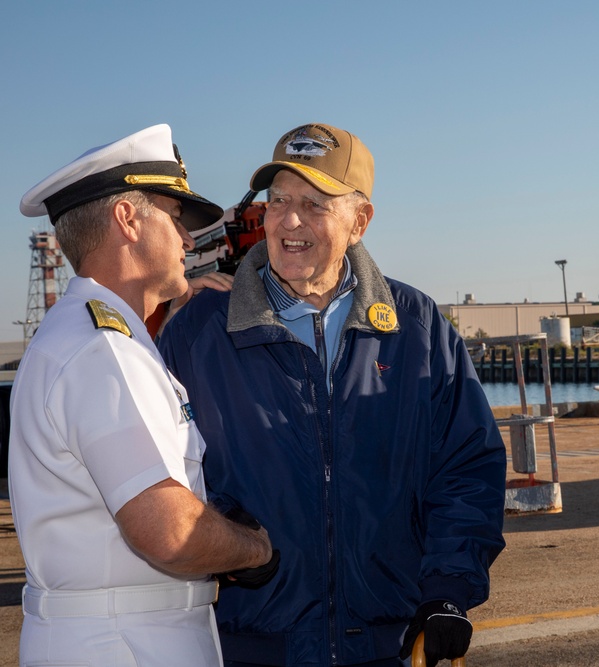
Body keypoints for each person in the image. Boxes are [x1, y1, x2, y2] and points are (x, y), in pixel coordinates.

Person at [157, 123, 507, 667]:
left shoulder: (416, 325)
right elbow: (166, 480)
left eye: (316, 205)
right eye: (278, 202)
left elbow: (465, 466)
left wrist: (448, 591)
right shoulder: (197, 332)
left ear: (359, 222)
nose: (290, 221)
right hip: (248, 644)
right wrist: (230, 546)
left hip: (387, 643)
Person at [11, 124, 276, 666]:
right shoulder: (104, 353)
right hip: (127, 643)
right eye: (175, 218)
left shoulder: (91, 337)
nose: (187, 239)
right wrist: (254, 548)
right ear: (127, 220)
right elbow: (169, 530)